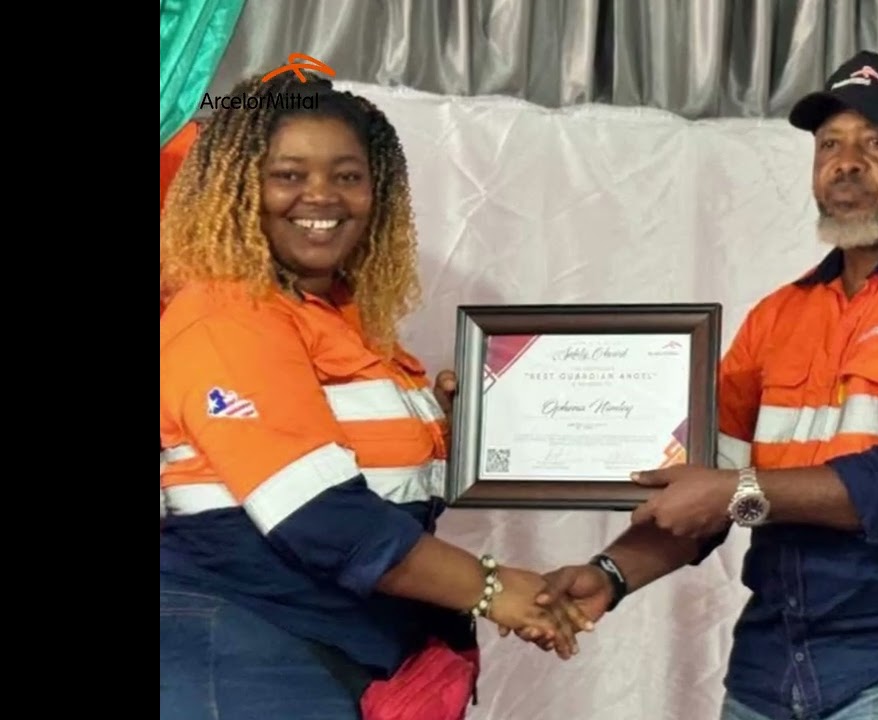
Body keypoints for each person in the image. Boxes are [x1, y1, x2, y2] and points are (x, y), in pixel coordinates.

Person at [532, 51, 878, 720]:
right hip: (771, 671)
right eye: (830, 144)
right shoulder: (778, 316)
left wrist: (734, 491)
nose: (846, 162)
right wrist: (610, 574)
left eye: (877, 142)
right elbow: (707, 489)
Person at [159, 72, 590, 720]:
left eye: (348, 176)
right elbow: (321, 516)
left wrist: (458, 432)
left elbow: (387, 487)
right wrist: (492, 588)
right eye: (288, 174)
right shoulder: (225, 314)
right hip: (254, 658)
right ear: (237, 186)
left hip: (339, 650)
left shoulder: (340, 320)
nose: (322, 195)